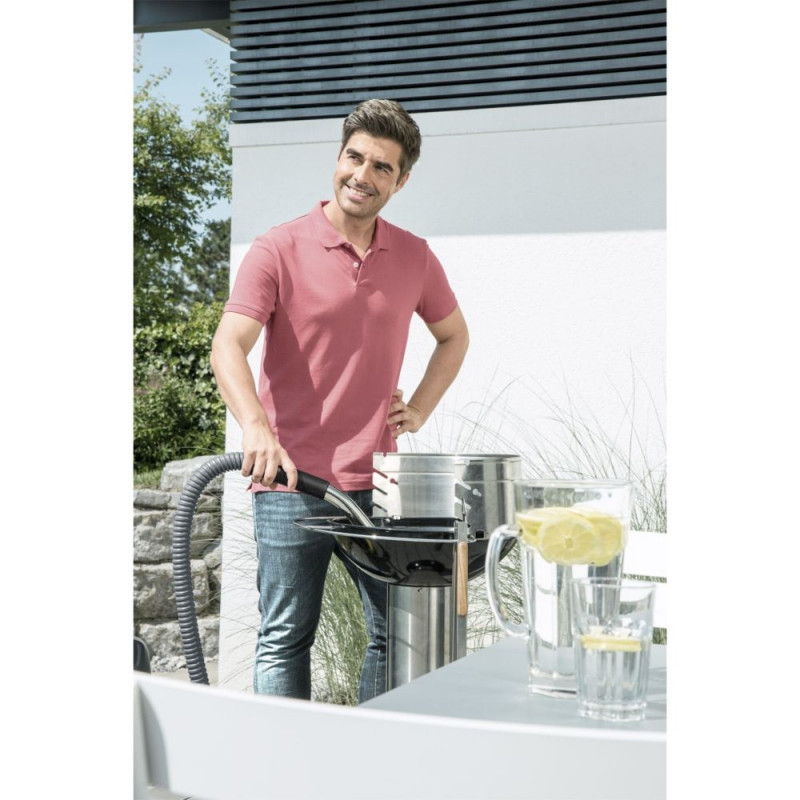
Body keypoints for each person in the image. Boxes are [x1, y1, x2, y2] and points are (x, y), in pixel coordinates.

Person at [210, 98, 469, 703]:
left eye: (382, 167)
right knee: (285, 638)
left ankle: (368, 752)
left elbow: (454, 336)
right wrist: (255, 427)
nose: (362, 174)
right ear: (338, 158)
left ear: (401, 181)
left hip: (378, 482)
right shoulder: (278, 248)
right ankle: (285, 759)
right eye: (354, 157)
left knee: (392, 635)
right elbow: (228, 345)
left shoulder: (414, 256)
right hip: (289, 481)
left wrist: (419, 408)